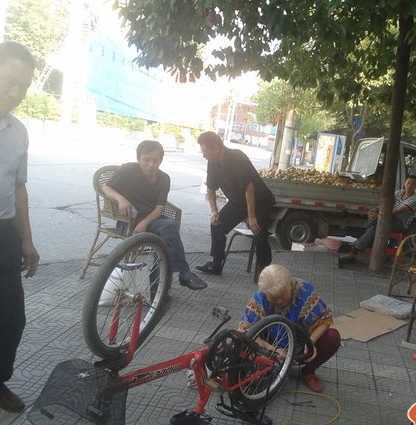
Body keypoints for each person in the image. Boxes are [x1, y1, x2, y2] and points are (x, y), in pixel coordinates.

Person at [0, 41, 40, 412]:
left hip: (2, 239)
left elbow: (18, 188)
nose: (16, 93)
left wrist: (26, 240)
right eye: (9, 82)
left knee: (8, 321)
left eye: (23, 87)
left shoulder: (18, 131)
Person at [102, 140, 207, 290]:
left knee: (165, 237)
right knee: (167, 232)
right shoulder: (128, 170)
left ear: (160, 161)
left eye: (155, 160)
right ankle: (183, 274)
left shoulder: (164, 178)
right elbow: (106, 187)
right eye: (146, 160)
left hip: (151, 220)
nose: (151, 165)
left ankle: (157, 289)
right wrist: (120, 198)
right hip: (129, 221)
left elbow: (159, 207)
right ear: (139, 158)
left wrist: (144, 223)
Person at [237, 264, 341, 393]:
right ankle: (270, 366)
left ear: (290, 285)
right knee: (240, 342)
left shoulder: (305, 291)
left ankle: (308, 372)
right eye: (274, 297)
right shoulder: (260, 297)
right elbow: (245, 330)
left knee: (333, 337)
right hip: (270, 346)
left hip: (300, 343)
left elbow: (325, 319)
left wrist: (311, 342)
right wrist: (274, 350)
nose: (280, 301)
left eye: (283, 295)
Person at [196, 131, 276, 276]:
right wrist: (214, 211)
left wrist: (251, 217)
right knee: (217, 224)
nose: (203, 155)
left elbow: (249, 188)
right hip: (238, 201)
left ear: (216, 148)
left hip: (259, 201)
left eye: (205, 151)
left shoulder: (237, 157)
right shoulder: (212, 162)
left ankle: (265, 271)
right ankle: (216, 264)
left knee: (258, 230)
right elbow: (210, 187)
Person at [339, 175, 416, 264]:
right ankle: (360, 245)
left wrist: (378, 216)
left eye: (412, 184)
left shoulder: (414, 200)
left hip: (399, 223)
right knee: (372, 223)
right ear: (404, 183)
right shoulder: (399, 193)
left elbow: (395, 212)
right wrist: (374, 210)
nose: (409, 186)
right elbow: (385, 204)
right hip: (389, 218)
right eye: (408, 183)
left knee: (376, 224)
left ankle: (355, 250)